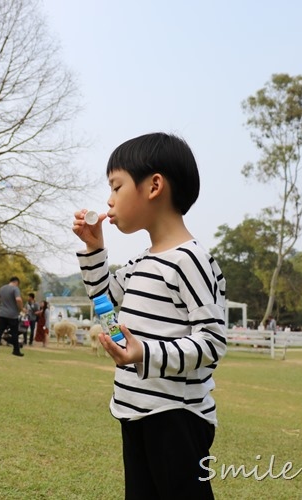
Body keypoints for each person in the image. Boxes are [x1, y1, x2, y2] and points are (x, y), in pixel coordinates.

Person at [72, 132, 226, 499]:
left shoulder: (190, 260)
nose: (108, 201)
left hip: (176, 418)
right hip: (134, 410)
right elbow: (105, 300)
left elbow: (212, 342)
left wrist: (145, 353)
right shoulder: (144, 261)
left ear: (154, 185)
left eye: (116, 186)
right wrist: (95, 249)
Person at [0, 276, 24, 357]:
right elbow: (18, 299)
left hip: (2, 313)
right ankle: (16, 350)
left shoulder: (2, 288)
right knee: (14, 333)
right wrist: (22, 308)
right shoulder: (15, 289)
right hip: (12, 315)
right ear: (16, 282)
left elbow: (0, 299)